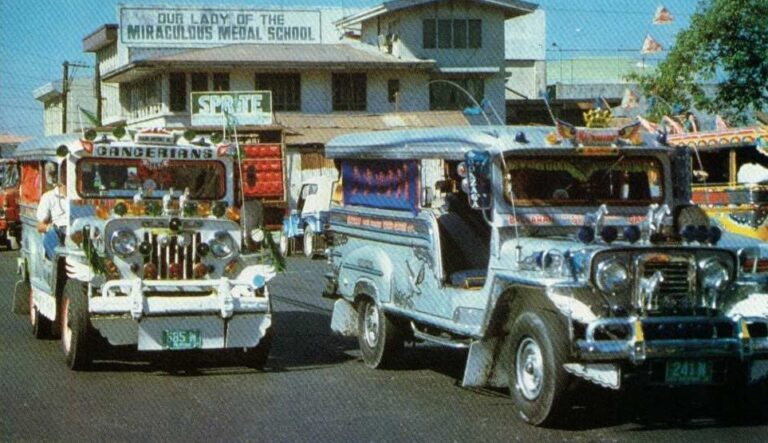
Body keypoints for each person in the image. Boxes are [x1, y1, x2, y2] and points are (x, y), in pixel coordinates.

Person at [37, 162, 68, 260]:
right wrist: (49, 228)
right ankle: (56, 261)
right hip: (59, 232)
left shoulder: (81, 196)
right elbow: (40, 226)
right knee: (52, 233)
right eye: (64, 173)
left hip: (78, 231)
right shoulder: (48, 197)